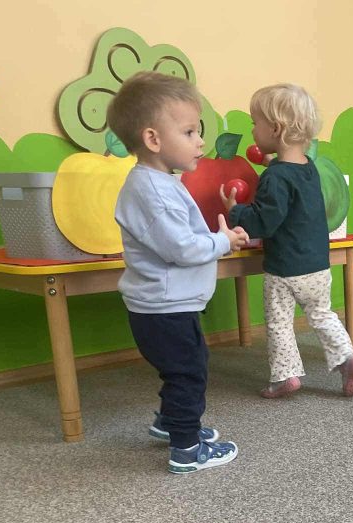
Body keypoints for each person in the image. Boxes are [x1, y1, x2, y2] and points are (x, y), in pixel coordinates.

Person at [108, 71, 248, 473]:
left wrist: (217, 237)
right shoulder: (153, 190)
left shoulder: (160, 183)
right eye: (189, 132)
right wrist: (223, 242)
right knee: (188, 373)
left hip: (166, 305)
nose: (200, 141)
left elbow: (180, 237)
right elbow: (181, 248)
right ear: (153, 139)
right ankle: (186, 448)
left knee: (183, 368)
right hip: (165, 308)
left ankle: (170, 423)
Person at [221, 83, 353, 399]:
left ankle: (285, 376)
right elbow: (293, 201)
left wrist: (235, 212)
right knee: (322, 315)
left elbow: (265, 221)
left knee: (279, 322)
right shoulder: (308, 169)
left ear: (275, 129)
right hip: (317, 265)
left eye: (254, 123)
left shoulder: (274, 176)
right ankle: (347, 357)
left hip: (285, 269)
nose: (252, 130)